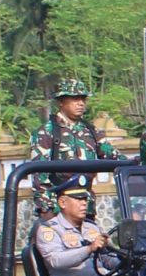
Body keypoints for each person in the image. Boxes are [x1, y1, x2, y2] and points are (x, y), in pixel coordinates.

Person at [33, 176, 128, 276]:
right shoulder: (49, 230)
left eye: (84, 199)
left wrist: (124, 262)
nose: (84, 203)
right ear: (62, 202)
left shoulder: (91, 227)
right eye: (78, 199)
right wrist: (89, 249)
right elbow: (55, 260)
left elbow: (105, 258)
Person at [29, 80, 103, 215]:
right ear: (61, 102)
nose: (81, 103)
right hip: (59, 209)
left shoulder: (91, 131)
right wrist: (47, 212)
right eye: (75, 99)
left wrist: (136, 163)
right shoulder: (46, 132)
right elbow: (40, 178)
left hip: (86, 207)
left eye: (83, 99)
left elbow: (111, 155)